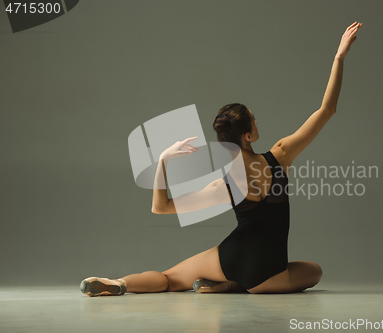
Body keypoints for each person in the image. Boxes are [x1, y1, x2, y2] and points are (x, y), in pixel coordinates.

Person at [80, 21, 363, 296]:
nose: (257, 121)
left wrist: (164, 160)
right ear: (249, 136)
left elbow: (161, 207)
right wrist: (339, 56)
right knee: (313, 271)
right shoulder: (281, 155)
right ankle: (231, 286)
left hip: (233, 257)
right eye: (254, 120)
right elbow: (327, 110)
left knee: (169, 278)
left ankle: (119, 283)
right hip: (270, 274)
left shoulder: (224, 185)